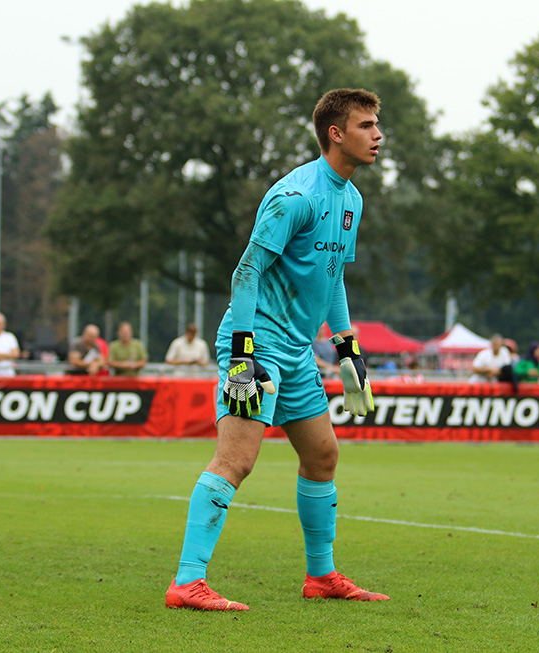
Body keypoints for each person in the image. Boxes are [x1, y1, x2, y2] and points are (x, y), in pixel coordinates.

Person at [166, 89, 387, 612]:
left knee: (322, 455)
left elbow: (332, 278)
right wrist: (243, 356)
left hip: (294, 351)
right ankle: (187, 583)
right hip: (256, 345)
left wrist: (347, 346)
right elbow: (246, 272)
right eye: (367, 125)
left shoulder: (351, 199)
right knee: (236, 460)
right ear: (337, 133)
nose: (378, 135)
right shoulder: (296, 196)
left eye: (378, 125)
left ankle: (321, 576)